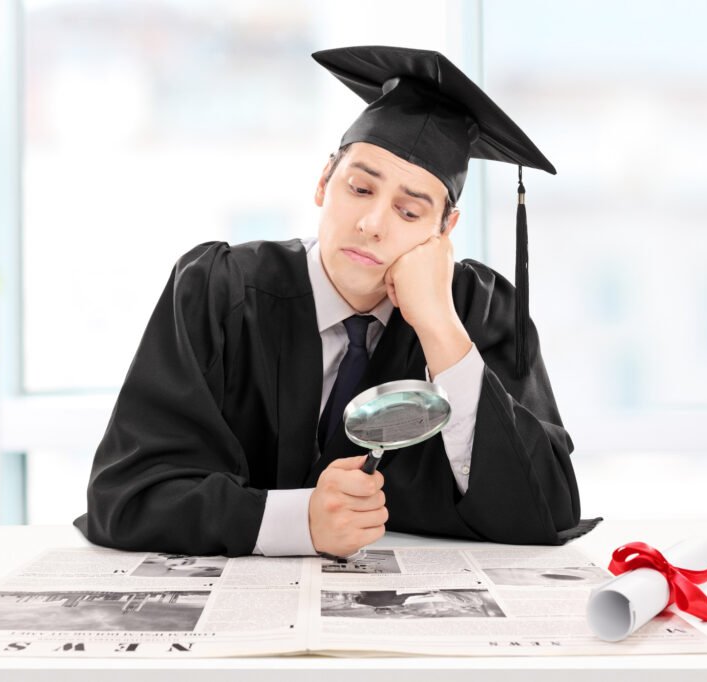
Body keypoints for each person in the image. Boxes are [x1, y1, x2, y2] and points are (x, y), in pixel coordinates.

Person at [74, 46, 598, 559]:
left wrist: (440, 329)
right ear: (325, 181)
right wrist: (298, 522)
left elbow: (547, 509)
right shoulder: (220, 291)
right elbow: (126, 496)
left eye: (410, 212)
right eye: (360, 189)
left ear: (445, 229)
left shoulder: (479, 312)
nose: (372, 225)